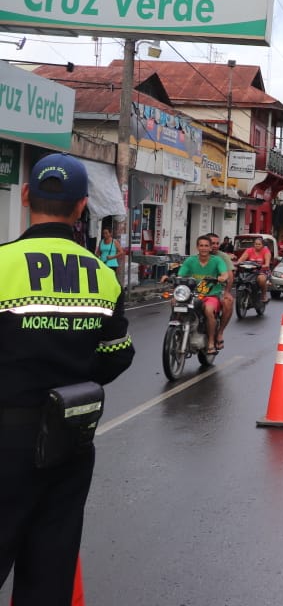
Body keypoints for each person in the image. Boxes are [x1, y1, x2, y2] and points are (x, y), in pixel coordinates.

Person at [0, 153, 135, 605]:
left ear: (25, 196)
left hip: (6, 435)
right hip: (69, 437)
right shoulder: (102, 275)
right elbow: (118, 354)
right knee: (49, 571)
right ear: (81, 206)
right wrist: (75, 373)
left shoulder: (3, 264)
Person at [171, 236, 230, 353]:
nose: (203, 248)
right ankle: (176, 328)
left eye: (206, 246)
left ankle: (211, 342)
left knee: (208, 310)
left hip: (211, 294)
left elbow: (225, 274)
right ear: (197, 247)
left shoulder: (217, 260)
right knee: (174, 302)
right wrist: (171, 278)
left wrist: (222, 278)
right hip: (193, 293)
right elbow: (181, 275)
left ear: (210, 248)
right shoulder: (190, 260)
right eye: (201, 245)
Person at [206, 233, 236, 338]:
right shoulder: (199, 255)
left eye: (217, 243)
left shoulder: (223, 257)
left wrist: (227, 292)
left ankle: (220, 332)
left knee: (228, 302)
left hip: (219, 287)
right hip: (201, 287)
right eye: (212, 243)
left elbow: (230, 276)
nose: (215, 245)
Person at [236, 236, 273, 303]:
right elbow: (241, 260)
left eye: (259, 244)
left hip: (262, 271)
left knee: (261, 279)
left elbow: (267, 264)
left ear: (262, 245)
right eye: (256, 244)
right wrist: (237, 263)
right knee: (240, 278)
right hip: (249, 271)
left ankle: (263, 295)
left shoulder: (266, 251)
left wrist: (261, 266)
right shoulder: (249, 250)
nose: (257, 245)